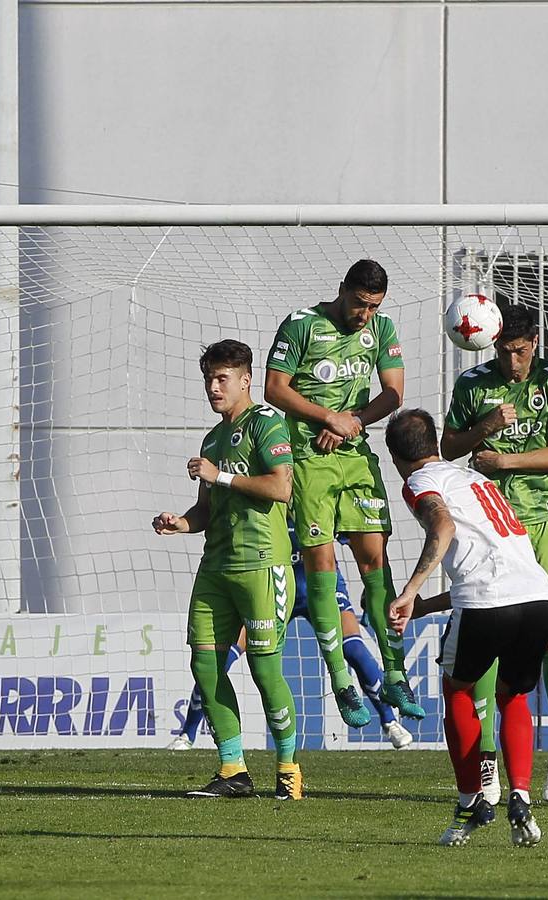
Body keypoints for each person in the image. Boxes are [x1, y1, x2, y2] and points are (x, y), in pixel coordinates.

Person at [386, 409, 548, 848]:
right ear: (435, 445)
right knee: (513, 696)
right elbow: (489, 564)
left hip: (488, 604)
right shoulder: (475, 481)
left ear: (396, 457)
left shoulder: (421, 483)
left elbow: (442, 526)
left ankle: (470, 803)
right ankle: (520, 797)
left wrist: (409, 590)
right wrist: (425, 607)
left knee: (459, 691)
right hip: (537, 598)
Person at [264, 259, 423, 725]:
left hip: (355, 455)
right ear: (343, 291)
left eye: (373, 307)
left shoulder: (383, 328)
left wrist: (351, 421)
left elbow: (393, 393)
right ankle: (341, 681)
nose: (365, 315)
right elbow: (275, 389)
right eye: (359, 304)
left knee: (376, 559)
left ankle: (395, 673)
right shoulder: (301, 325)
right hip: (308, 458)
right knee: (323, 568)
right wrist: (324, 417)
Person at [440, 303, 548, 802]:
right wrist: (485, 428)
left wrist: (506, 458)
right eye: (504, 351)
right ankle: (485, 764)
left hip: (538, 523)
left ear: (535, 343)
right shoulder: (473, 384)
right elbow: (450, 446)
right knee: (486, 637)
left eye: (520, 352)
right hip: (489, 529)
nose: (512, 361)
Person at [152, 340, 302, 800]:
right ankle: (233, 768)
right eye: (209, 379)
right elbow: (207, 510)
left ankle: (288, 768)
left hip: (262, 565)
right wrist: (181, 523)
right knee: (204, 662)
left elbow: (281, 488)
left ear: (245, 380)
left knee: (264, 670)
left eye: (222, 379)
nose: (214, 387)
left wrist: (220, 476)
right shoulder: (212, 439)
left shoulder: (267, 423)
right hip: (216, 566)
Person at [166, 525, 413, 752]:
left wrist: (370, 591)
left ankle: (389, 721)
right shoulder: (264, 498)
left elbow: (361, 542)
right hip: (274, 587)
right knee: (221, 658)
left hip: (322, 588)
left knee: (354, 650)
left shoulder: (315, 495)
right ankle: (187, 733)